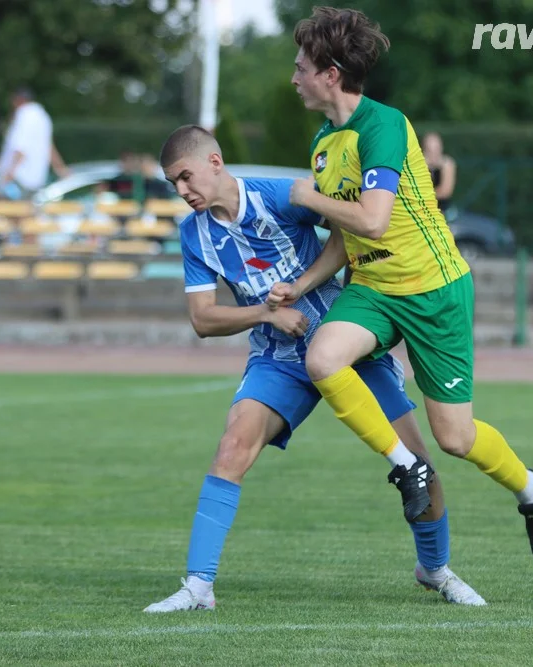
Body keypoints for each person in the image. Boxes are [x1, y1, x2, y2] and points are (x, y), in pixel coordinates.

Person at [143, 125, 485, 613]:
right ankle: (199, 586)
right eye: (173, 183)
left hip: (345, 344)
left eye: (185, 177)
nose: (181, 191)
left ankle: (435, 570)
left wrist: (315, 290)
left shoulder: (279, 197)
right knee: (232, 446)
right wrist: (266, 313)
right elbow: (202, 318)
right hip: (279, 357)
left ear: (215, 163)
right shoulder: (193, 234)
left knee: (420, 463)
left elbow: (350, 231)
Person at [275, 6, 533, 561]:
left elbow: (373, 219)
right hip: (375, 289)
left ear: (330, 73)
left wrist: (307, 196)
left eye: (301, 66)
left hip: (434, 291)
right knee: (323, 357)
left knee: (456, 438)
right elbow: (344, 236)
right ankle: (407, 468)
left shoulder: (383, 125)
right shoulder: (324, 143)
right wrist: (302, 283)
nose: (294, 77)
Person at [0, 88, 67, 200]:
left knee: (4, 211)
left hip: (19, 177)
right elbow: (49, 146)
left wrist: (9, 174)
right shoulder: (43, 117)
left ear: (17, 100)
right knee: (27, 212)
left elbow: (21, 147)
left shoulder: (24, 114)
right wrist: (60, 168)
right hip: (36, 178)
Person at [422, 132, 456, 213]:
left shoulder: (447, 164)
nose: (433, 154)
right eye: (429, 150)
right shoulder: (419, 166)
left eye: (436, 149)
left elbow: (445, 192)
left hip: (443, 209)